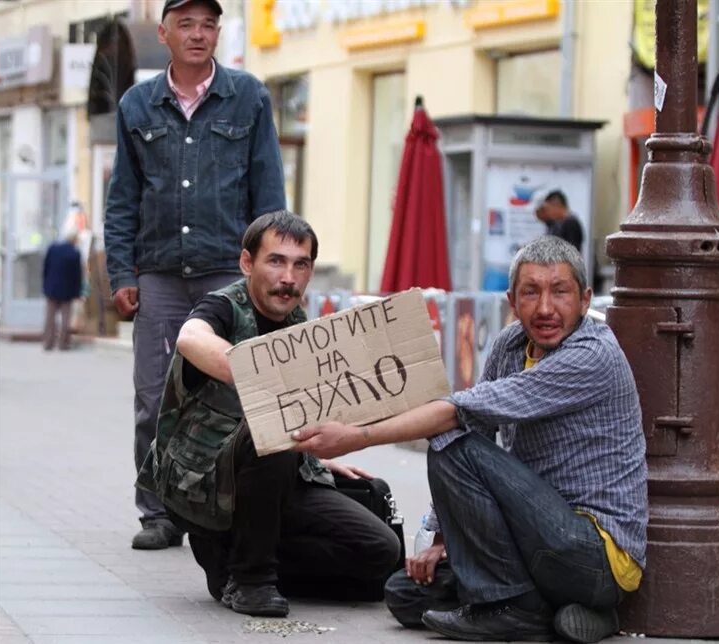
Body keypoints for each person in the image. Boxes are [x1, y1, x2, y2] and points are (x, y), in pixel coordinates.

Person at [292, 236, 648, 643]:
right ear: (513, 301)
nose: (546, 308)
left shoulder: (592, 354)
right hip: (530, 542)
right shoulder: (511, 345)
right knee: (406, 596)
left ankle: (519, 607)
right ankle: (552, 611)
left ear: (585, 301)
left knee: (449, 443)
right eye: (531, 292)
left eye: (560, 292)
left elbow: (459, 415)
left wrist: (358, 436)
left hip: (592, 555)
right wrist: (442, 538)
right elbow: (478, 431)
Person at [137, 211, 401, 617]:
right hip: (205, 481)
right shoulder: (222, 306)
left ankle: (234, 560)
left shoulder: (297, 323)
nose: (288, 277)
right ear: (248, 263)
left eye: (301, 264)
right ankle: (250, 581)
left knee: (380, 553)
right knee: (276, 427)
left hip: (275, 473)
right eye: (275, 261)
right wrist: (265, 380)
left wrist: (318, 455)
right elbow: (190, 338)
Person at [104, 0, 286, 550]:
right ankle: (158, 512)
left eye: (208, 24)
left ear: (218, 33)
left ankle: (233, 506)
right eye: (186, 24)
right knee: (154, 394)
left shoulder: (249, 97)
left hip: (228, 274)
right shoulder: (137, 105)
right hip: (158, 273)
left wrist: (272, 270)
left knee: (242, 390)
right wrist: (120, 272)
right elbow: (123, 199)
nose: (198, 34)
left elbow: (268, 191)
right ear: (164, 33)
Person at [42, 221, 83, 351]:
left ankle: (48, 343)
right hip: (68, 291)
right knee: (66, 318)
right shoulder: (75, 253)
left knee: (50, 317)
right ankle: (63, 344)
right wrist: (77, 292)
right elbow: (77, 275)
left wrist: (45, 284)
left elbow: (45, 268)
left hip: (52, 288)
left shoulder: (53, 248)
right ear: (74, 239)